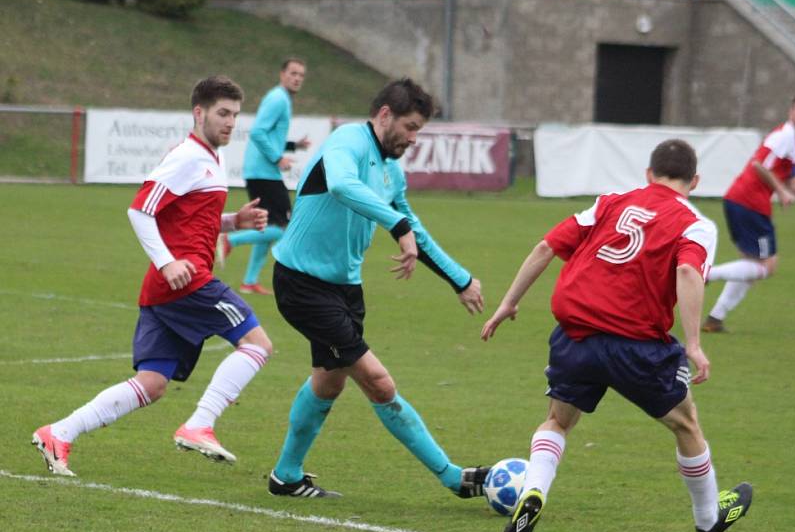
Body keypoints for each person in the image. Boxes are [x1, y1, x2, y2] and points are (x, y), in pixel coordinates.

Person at [481, 139, 753, 532]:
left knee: (557, 420)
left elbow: (546, 247)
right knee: (686, 423)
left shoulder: (611, 201)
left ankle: (533, 490)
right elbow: (687, 270)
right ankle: (707, 519)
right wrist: (695, 345)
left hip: (576, 334)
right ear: (695, 181)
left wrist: (509, 302)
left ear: (648, 173)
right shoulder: (695, 224)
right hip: (635, 345)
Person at [32, 76, 273, 476]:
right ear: (199, 113)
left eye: (235, 115)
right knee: (257, 344)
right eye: (222, 113)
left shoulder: (212, 157)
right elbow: (139, 210)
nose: (231, 122)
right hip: (185, 282)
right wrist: (166, 262)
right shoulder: (188, 157)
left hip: (166, 290)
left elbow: (190, 222)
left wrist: (233, 221)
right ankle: (200, 424)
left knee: (153, 383)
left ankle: (59, 432)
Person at [266, 78, 489, 499]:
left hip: (345, 291)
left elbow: (413, 228)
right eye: (410, 126)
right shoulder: (346, 141)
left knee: (329, 382)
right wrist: (396, 224)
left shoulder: (390, 172)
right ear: (385, 114)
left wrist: (459, 278)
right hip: (301, 285)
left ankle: (286, 476)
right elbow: (341, 185)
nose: (412, 138)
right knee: (379, 383)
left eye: (418, 130)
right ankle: (453, 477)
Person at [703, 94, 795, 332]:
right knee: (767, 265)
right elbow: (759, 164)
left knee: (752, 265)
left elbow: (790, 180)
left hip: (744, 201)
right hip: (749, 202)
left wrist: (787, 189)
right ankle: (705, 273)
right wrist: (781, 191)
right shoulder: (784, 135)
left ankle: (715, 320)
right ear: (791, 112)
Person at [217, 58, 311, 296]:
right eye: (293, 73)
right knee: (284, 227)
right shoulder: (278, 99)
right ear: (282, 74)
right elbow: (258, 132)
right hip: (263, 171)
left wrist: (293, 146)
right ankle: (229, 240)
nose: (297, 78)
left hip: (261, 170)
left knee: (267, 225)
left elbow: (270, 135)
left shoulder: (281, 99)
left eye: (301, 75)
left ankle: (249, 282)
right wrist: (278, 159)